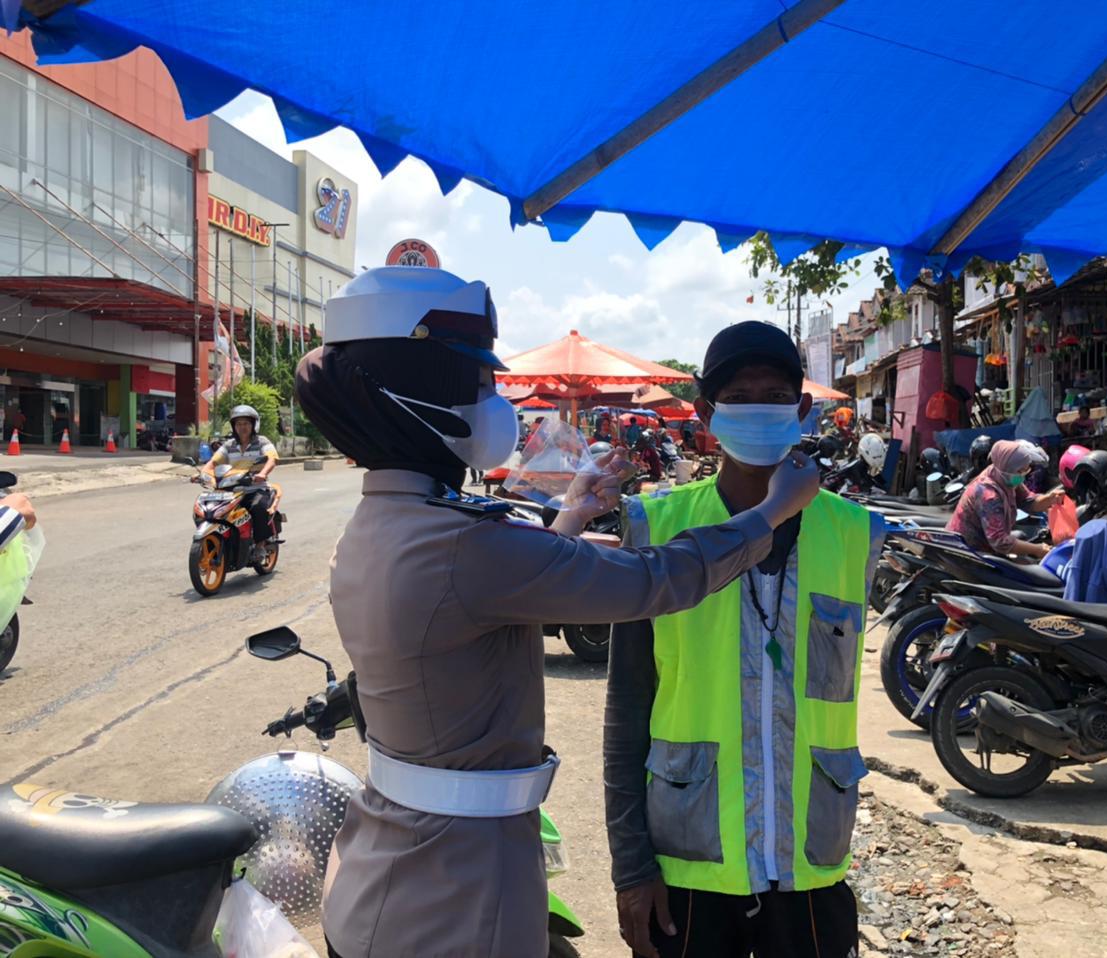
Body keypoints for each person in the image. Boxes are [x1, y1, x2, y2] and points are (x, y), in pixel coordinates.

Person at [297, 267, 819, 958]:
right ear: (416, 395)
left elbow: (484, 591)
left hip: (393, 866)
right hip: (454, 897)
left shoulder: (389, 522)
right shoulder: (460, 541)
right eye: (478, 384)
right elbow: (655, 581)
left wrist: (569, 516)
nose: (494, 403)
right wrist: (771, 512)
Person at [605, 320, 880, 958]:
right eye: (740, 396)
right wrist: (631, 866)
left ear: (802, 409)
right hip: (690, 858)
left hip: (811, 863)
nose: (759, 409)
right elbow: (626, 713)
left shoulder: (856, 534)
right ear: (706, 414)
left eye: (775, 395)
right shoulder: (658, 528)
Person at [946, 439, 1063, 560]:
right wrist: (1037, 549)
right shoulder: (989, 495)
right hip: (969, 552)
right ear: (1006, 469)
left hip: (989, 545)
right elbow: (1000, 542)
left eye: (1026, 470)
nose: (1023, 475)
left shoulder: (1006, 477)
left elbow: (1028, 501)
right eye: (1020, 471)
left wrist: (1049, 499)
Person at [196, 404, 278, 562]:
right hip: (230, 489)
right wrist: (202, 474)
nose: (242, 427)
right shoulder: (229, 445)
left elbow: (272, 459)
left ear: (254, 425)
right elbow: (213, 463)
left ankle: (260, 546)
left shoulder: (262, 442)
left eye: (246, 423)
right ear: (234, 426)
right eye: (238, 424)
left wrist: (262, 473)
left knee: (258, 508)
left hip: (255, 488)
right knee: (206, 510)